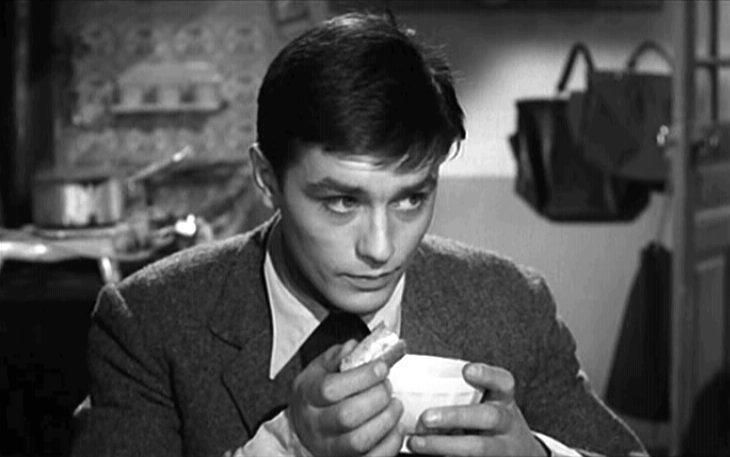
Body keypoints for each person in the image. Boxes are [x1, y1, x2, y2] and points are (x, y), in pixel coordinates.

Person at [72, 12, 647, 457]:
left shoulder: (511, 303)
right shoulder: (149, 322)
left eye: (411, 198)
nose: (381, 248)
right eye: (342, 202)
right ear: (267, 179)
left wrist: (537, 455)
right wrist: (290, 445)